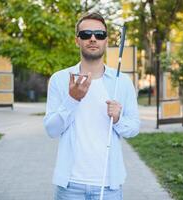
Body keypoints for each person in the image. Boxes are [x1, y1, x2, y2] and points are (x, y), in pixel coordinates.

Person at [43, 12, 140, 200]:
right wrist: (72, 99)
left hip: (109, 186)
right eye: (86, 34)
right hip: (70, 186)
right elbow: (51, 130)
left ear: (106, 40)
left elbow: (134, 128)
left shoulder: (122, 82)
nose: (93, 39)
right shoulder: (60, 79)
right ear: (77, 40)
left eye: (99, 34)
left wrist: (118, 119)